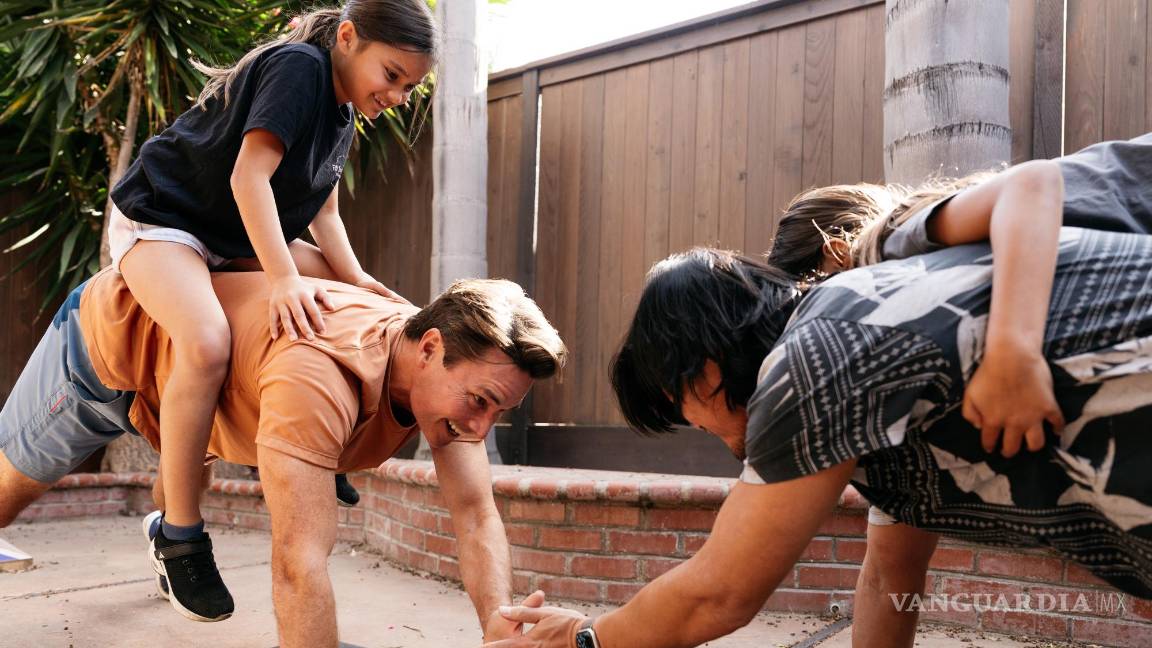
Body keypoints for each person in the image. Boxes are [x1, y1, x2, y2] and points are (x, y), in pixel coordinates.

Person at [487, 226, 1152, 642]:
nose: (691, 425)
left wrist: (585, 639)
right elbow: (890, 572)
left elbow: (718, 594)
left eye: (678, 402)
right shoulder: (871, 412)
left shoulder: (816, 357)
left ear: (705, 369)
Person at [0, 268, 567, 647]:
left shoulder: (442, 376)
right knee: (7, 495)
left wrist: (498, 623)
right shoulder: (318, 376)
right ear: (430, 348)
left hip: (203, 403)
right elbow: (299, 563)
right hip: (111, 357)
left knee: (182, 481)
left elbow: (474, 514)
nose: (480, 427)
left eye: (500, 412)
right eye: (480, 402)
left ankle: (164, 516)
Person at [105, 0, 435, 621]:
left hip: (228, 236)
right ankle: (178, 537)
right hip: (166, 218)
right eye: (391, 74)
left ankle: (322, 444)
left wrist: (362, 281)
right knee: (205, 342)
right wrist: (282, 277)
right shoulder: (298, 68)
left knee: (356, 296)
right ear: (347, 37)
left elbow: (324, 213)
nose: (397, 94)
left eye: (409, 87)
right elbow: (247, 179)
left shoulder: (342, 112)